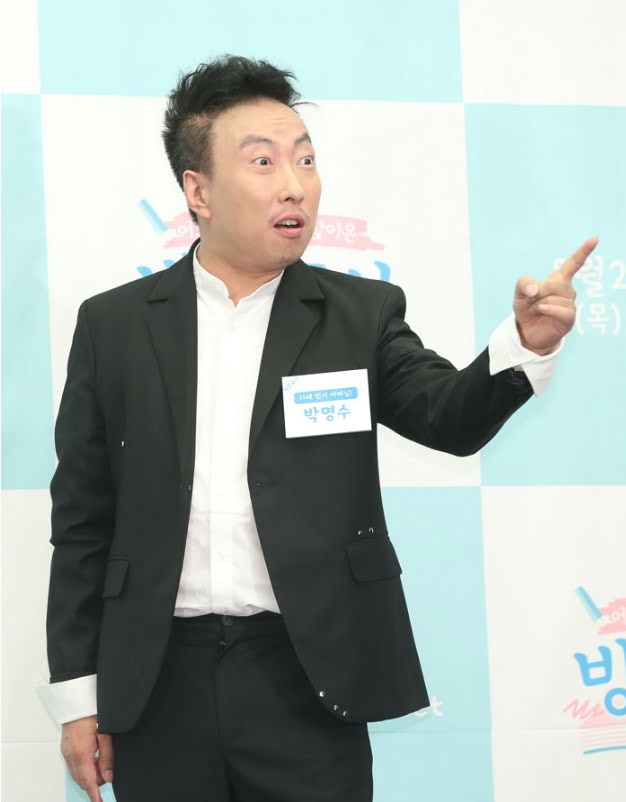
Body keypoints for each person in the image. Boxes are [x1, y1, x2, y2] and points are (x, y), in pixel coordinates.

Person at [37, 54, 596, 802]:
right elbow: (82, 521)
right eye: (263, 162)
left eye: (304, 159)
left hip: (306, 676)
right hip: (157, 680)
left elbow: (448, 417)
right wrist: (78, 698)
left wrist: (527, 342)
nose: (295, 184)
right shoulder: (114, 326)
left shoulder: (359, 315)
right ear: (198, 191)